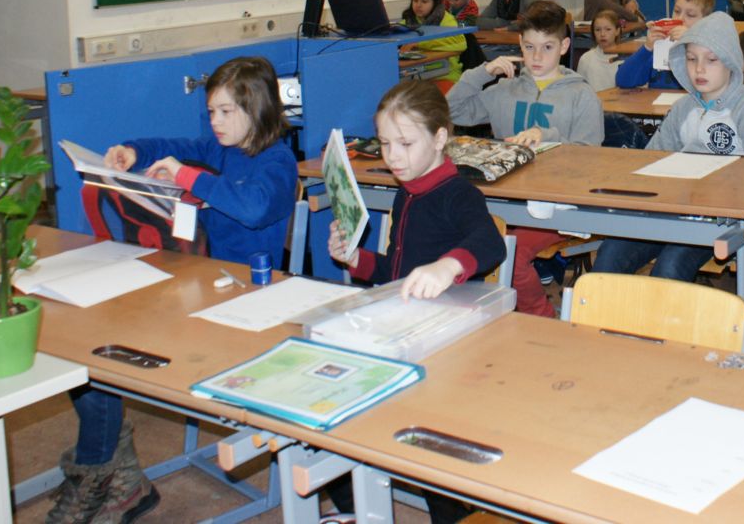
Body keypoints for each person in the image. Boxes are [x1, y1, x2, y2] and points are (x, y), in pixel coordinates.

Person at [53, 56, 298, 524]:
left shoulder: (277, 162)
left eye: (226, 112)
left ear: (258, 107)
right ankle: (108, 462)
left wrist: (187, 176)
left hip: (247, 297)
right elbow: (173, 145)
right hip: (198, 280)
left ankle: (103, 466)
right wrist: (132, 151)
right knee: (91, 339)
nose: (215, 122)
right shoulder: (220, 148)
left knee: (114, 343)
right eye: (211, 112)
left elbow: (253, 207)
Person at [593, 12, 744, 281]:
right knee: (611, 253)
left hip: (724, 217)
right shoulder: (683, 108)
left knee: (671, 265)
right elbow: (653, 158)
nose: (699, 69)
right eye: (692, 59)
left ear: (730, 61)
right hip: (675, 209)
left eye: (711, 60)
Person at [448, 1, 603, 316]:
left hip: (558, 205)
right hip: (505, 200)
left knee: (508, 253)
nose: (536, 57)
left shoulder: (581, 95)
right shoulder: (505, 90)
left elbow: (591, 159)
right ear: (519, 43)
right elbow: (452, 110)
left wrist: (548, 136)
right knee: (453, 236)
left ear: (564, 46)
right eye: (529, 47)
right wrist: (482, 73)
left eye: (547, 47)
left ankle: (541, 318)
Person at [328, 80, 504, 297]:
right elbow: (396, 274)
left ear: (439, 139)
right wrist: (354, 257)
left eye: (406, 144)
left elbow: (491, 243)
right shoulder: (406, 193)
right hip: (407, 307)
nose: (392, 156)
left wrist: (447, 267)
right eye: (385, 143)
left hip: (447, 310)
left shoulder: (459, 194)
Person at [615, 0, 714, 90]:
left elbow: (710, 86)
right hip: (659, 100)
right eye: (677, 11)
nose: (680, 19)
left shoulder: (711, 51)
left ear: (705, 21)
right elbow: (623, 81)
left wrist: (691, 41)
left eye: (690, 15)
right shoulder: (661, 45)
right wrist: (647, 48)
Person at [401, 0, 467, 82]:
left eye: (424, 1)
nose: (418, 5)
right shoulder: (409, 20)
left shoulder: (447, 20)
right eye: (415, 0)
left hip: (446, 74)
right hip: (417, 74)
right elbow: (394, 33)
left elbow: (461, 43)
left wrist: (420, 43)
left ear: (436, 2)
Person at [576, 9, 622, 92]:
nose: (602, 34)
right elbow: (579, 90)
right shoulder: (586, 59)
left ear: (617, 31)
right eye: (598, 30)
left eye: (608, 29)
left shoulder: (624, 59)